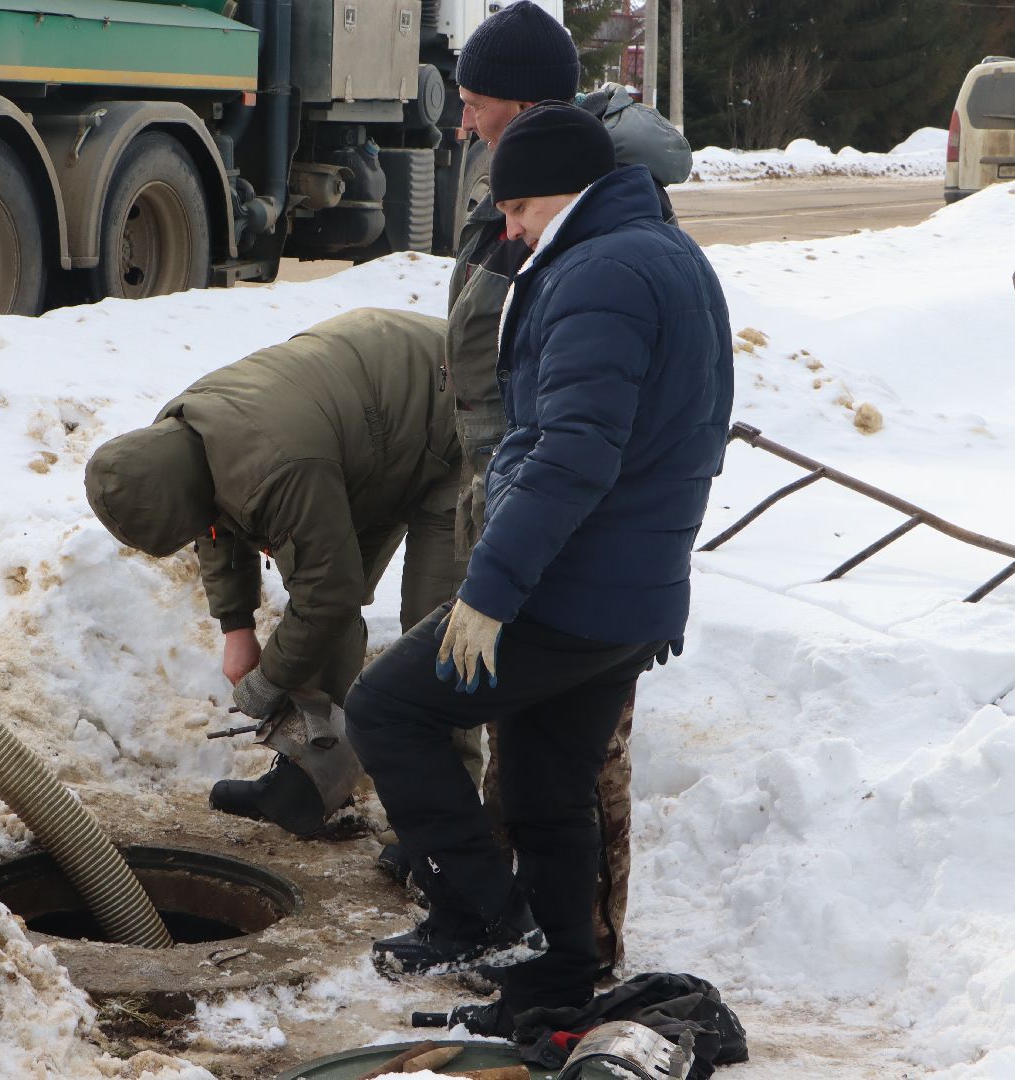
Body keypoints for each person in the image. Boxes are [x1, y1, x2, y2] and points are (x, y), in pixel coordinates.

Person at [346, 103, 733, 1026]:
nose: (510, 229)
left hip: (569, 587)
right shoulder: (659, 252)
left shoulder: (603, 270)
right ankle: (552, 984)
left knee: (388, 708)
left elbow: (574, 452)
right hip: (629, 591)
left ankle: (482, 917)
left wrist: (487, 594)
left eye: (517, 209)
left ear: (565, 190)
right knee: (546, 784)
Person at [414, 0, 693, 978]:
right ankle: (519, 939)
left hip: (576, 530)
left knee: (581, 754)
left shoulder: (590, 222)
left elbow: (587, 416)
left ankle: (588, 957)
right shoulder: (512, 188)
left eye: (476, 104)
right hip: (507, 500)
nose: (461, 125)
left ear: (526, 106)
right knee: (519, 741)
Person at [83, 307, 472, 836]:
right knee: (319, 617)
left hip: (454, 412)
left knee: (435, 633)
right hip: (364, 434)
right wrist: (237, 626)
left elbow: (328, 595)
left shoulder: (276, 469)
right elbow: (215, 520)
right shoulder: (179, 440)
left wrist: (270, 681)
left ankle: (444, 833)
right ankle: (305, 787)